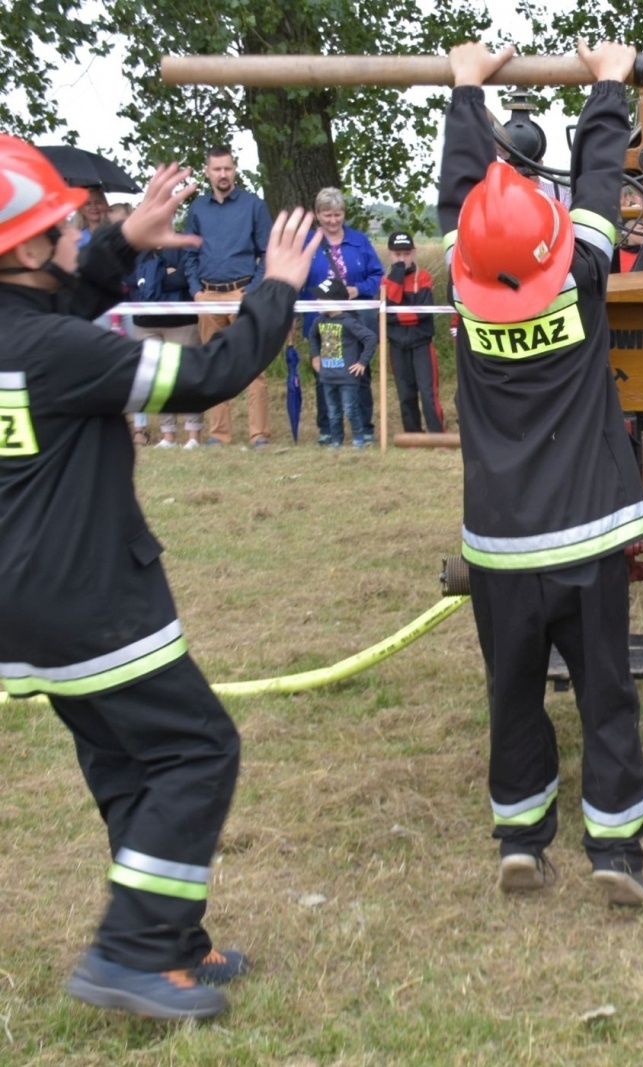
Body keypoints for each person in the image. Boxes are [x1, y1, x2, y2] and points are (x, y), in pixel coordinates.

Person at [0, 136, 318, 1020]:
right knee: (197, 749)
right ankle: (129, 950)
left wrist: (120, 244)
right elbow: (210, 374)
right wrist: (276, 288)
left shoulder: (25, 334)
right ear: (27, 249)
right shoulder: (60, 351)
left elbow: (50, 311)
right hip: (90, 598)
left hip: (24, 604)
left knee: (125, 761)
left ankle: (169, 940)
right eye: (67, 224)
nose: (82, 228)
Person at [440, 39, 643, 906]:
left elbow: (462, 198)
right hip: (590, 532)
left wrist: (465, 90)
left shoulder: (461, 281)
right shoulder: (584, 273)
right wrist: (608, 86)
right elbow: (600, 184)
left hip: (500, 541)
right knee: (607, 693)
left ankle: (521, 839)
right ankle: (617, 852)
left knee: (513, 693)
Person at [183, 145, 275, 447]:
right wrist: (195, 290)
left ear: (235, 169)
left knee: (252, 367)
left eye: (227, 168)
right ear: (207, 172)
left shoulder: (254, 205)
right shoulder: (198, 209)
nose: (223, 174)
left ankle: (259, 434)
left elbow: (268, 253)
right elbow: (189, 254)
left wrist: (253, 289)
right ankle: (218, 434)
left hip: (243, 292)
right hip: (208, 295)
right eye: (217, 169)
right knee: (213, 365)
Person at [302, 188, 385, 441]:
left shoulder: (360, 241)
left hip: (356, 319)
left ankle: (364, 428)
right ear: (317, 214)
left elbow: (377, 275)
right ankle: (328, 429)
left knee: (360, 371)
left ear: (344, 214)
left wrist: (358, 289)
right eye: (327, 215)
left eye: (337, 214)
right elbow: (296, 279)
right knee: (325, 373)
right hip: (323, 320)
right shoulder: (307, 243)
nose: (333, 220)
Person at [126, 244, 205, 447]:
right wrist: (163, 273)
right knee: (158, 381)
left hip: (182, 323)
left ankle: (193, 436)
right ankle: (167, 436)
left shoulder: (182, 247)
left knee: (188, 377)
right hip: (145, 324)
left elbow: (184, 278)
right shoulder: (136, 249)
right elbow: (129, 280)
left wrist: (150, 277)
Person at [383, 231, 445, 433]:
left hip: (421, 343)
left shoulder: (423, 277)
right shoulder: (386, 281)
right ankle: (413, 435)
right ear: (390, 255)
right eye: (397, 254)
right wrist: (397, 276)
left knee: (428, 392)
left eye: (406, 253)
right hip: (397, 344)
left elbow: (423, 312)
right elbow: (386, 315)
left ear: (414, 253)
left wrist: (397, 315)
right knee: (405, 393)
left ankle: (438, 434)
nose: (402, 259)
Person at [309, 276, 377, 448]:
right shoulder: (319, 321)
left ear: (335, 301)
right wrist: (315, 356)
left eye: (321, 299)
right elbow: (312, 337)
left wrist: (362, 362)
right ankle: (336, 440)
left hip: (347, 377)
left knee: (350, 409)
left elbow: (370, 338)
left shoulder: (349, 322)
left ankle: (358, 439)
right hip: (327, 376)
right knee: (333, 412)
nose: (317, 302)